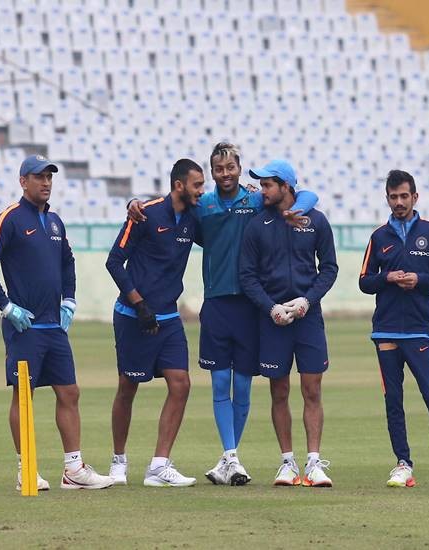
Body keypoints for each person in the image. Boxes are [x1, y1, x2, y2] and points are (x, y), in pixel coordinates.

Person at [128, 142, 319, 486]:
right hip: (216, 303)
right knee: (219, 383)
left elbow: (306, 195)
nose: (225, 174)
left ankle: (230, 458)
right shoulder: (203, 205)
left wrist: (297, 209)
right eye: (218, 169)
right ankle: (231, 457)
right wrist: (134, 203)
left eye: (231, 167)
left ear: (240, 169)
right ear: (212, 171)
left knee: (242, 387)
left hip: (249, 305)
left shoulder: (255, 200)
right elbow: (168, 203)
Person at [0, 154, 114, 491]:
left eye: (50, 177)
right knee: (24, 395)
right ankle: (27, 468)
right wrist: (6, 306)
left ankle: (74, 470)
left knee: (70, 392)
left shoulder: (55, 222)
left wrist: (70, 299)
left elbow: (68, 263)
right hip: (25, 328)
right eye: (39, 177)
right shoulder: (10, 218)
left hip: (55, 326)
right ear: (23, 181)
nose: (46, 182)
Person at [359, 170, 429, 488]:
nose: (399, 202)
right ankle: (403, 464)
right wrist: (387, 277)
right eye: (393, 197)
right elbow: (365, 281)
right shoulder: (379, 237)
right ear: (387, 199)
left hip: (419, 330)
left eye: (404, 196)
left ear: (415, 197)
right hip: (386, 331)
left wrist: (419, 280)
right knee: (393, 400)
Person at [105, 158, 205, 487]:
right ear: (178, 185)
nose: (201, 191)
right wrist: (139, 304)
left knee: (181, 384)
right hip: (133, 316)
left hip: (169, 317)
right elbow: (114, 262)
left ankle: (159, 466)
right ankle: (118, 461)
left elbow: (224, 224)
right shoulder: (145, 214)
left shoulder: (194, 217)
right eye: (196, 185)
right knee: (127, 387)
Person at [239, 159, 338, 488]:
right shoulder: (257, 225)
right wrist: (271, 308)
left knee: (312, 390)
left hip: (308, 318)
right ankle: (287, 464)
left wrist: (307, 301)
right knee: (278, 391)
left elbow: (329, 268)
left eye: (268, 185)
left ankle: (314, 463)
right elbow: (247, 276)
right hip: (273, 321)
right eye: (261, 185)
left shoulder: (316, 221)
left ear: (286, 186)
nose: (263, 191)